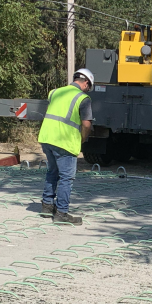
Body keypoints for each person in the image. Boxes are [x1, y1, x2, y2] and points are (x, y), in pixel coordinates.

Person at [38, 68, 95, 224]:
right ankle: (62, 213)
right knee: (66, 177)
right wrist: (83, 138)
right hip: (65, 141)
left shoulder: (55, 92)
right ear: (86, 83)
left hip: (47, 138)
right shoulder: (83, 98)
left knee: (52, 171)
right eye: (89, 87)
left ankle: (47, 206)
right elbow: (86, 123)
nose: (88, 89)